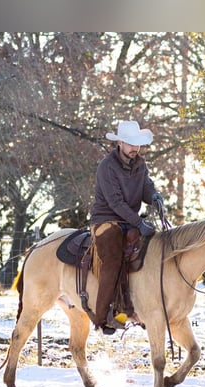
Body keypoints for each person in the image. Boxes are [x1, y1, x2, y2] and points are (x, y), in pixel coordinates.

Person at [89, 120, 164, 335]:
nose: (135, 148)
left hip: (130, 220)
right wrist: (139, 222)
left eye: (137, 144)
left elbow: (146, 187)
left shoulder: (140, 165)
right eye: (131, 144)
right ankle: (103, 317)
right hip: (106, 221)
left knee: (153, 253)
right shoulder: (107, 166)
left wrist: (154, 196)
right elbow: (115, 202)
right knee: (112, 261)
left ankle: (143, 307)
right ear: (120, 142)